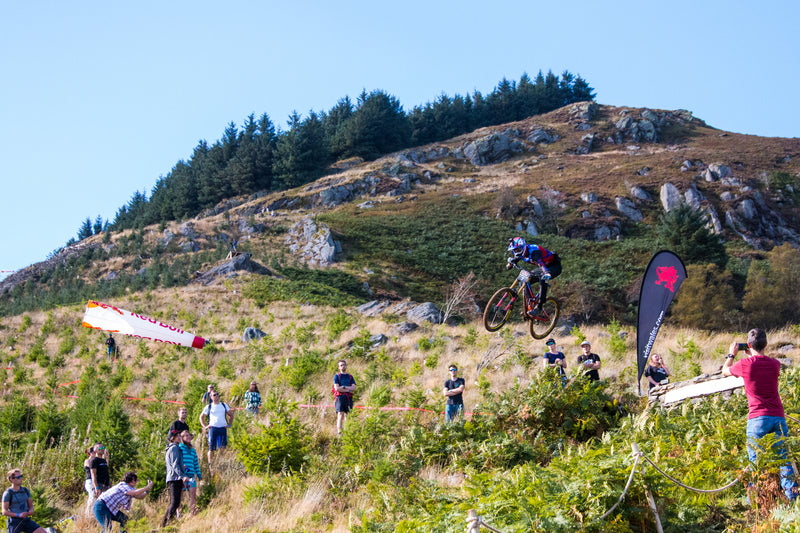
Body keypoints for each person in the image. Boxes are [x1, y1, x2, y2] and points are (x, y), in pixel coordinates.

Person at [722, 328, 797, 502]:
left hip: (757, 418)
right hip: (778, 416)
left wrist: (731, 354)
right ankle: (792, 498)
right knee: (784, 460)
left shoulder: (745, 365)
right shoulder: (775, 364)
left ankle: (756, 503)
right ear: (766, 344)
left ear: (748, 345)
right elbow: (761, 365)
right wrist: (752, 353)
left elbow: (725, 371)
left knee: (756, 463)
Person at [506, 237, 562, 316]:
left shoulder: (535, 252)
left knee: (543, 278)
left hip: (554, 267)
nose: (516, 252)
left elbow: (541, 264)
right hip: (543, 267)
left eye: (518, 250)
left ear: (523, 247)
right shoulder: (521, 252)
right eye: (514, 250)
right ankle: (530, 306)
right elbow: (516, 258)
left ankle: (539, 307)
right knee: (525, 281)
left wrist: (547, 273)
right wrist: (511, 264)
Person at [161, 429, 190, 527]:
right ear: (172, 438)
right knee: (174, 503)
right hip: (174, 479)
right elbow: (174, 465)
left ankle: (169, 524)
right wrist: (182, 476)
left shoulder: (174, 448)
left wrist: (183, 467)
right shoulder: (174, 448)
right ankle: (163, 525)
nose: (179, 438)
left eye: (179, 436)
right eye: (177, 436)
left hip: (174, 478)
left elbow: (176, 463)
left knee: (176, 503)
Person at [2, 469, 45, 533]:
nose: (21, 479)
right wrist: (18, 515)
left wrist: (31, 510)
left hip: (26, 520)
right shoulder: (8, 493)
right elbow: (4, 512)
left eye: (21, 476)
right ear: (11, 479)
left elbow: (31, 506)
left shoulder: (25, 490)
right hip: (14, 522)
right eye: (18, 477)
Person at [199, 390, 234, 464]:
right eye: (214, 395)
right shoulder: (209, 406)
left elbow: (231, 415)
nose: (216, 396)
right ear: (211, 397)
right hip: (213, 428)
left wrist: (229, 424)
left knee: (223, 447)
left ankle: (221, 462)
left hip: (222, 428)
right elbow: (201, 417)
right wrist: (205, 426)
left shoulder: (224, 405)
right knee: (211, 448)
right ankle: (210, 464)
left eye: (217, 394)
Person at [179, 430, 202, 517]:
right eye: (185, 436)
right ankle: (178, 512)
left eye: (188, 435)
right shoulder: (180, 448)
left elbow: (196, 463)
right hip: (183, 476)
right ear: (182, 438)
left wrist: (199, 474)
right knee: (180, 495)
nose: (187, 437)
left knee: (193, 494)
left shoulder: (192, 450)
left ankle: (192, 513)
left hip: (191, 476)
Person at [333, 360, 356, 435]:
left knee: (348, 414)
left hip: (348, 398)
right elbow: (336, 388)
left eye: (344, 365)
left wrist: (343, 387)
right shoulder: (337, 376)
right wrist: (348, 389)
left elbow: (354, 387)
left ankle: (348, 431)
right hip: (340, 397)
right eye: (341, 365)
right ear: (339, 367)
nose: (343, 366)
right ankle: (339, 432)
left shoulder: (350, 376)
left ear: (346, 366)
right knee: (340, 414)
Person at [83, 446, 97, 516]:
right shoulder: (87, 461)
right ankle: (88, 514)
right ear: (90, 453)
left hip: (94, 481)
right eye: (94, 452)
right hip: (90, 481)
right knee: (92, 496)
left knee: (94, 497)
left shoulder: (95, 461)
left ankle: (91, 513)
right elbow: (92, 468)